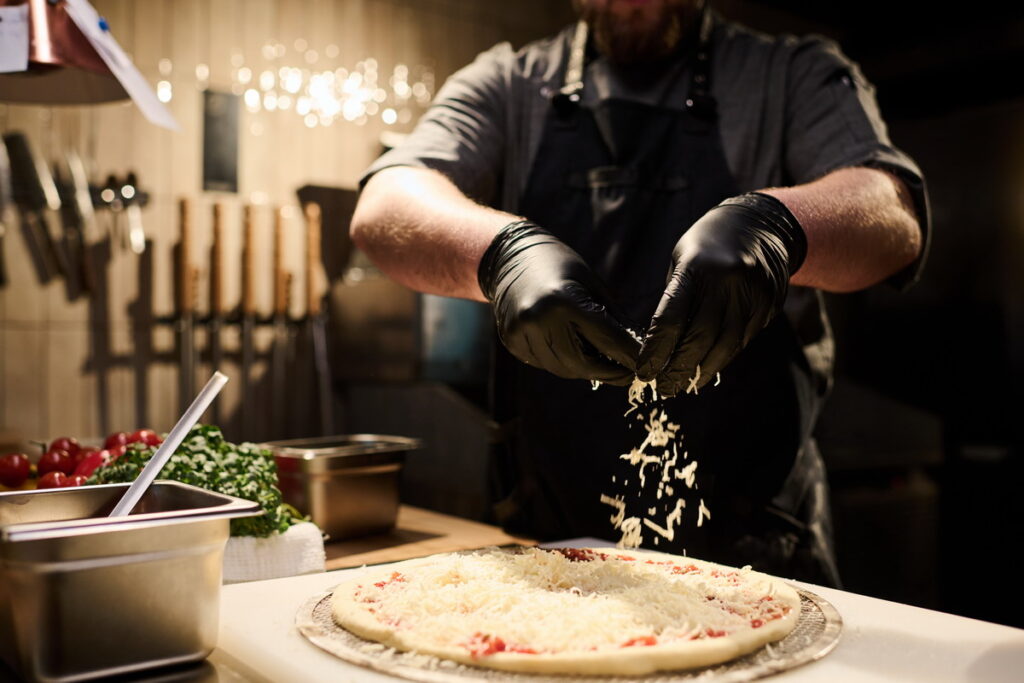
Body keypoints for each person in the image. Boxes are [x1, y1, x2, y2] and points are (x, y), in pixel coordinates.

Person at [350, 0, 928, 586]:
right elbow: (386, 204)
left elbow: (892, 210)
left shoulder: (789, 73)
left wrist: (777, 227)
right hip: (544, 543)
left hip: (758, 545)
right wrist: (502, 253)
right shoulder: (508, 81)